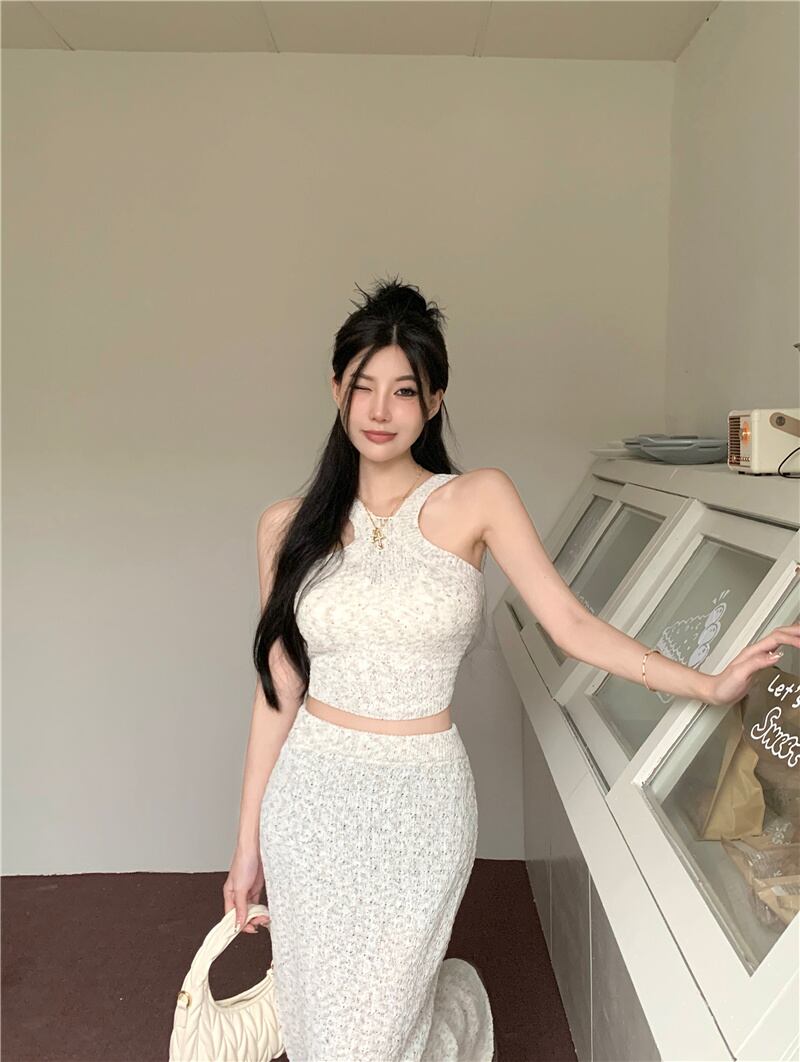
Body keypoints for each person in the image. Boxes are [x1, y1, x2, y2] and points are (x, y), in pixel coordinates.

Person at [223, 276, 799, 1062]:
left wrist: (707, 683)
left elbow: (571, 624)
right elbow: (278, 691)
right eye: (362, 386)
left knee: (378, 1032)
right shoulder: (284, 527)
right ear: (335, 390)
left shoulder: (478, 499)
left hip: (422, 798)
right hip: (311, 800)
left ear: (434, 400)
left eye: (404, 390)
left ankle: (456, 1017)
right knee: (321, 1026)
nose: (380, 410)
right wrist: (248, 842)